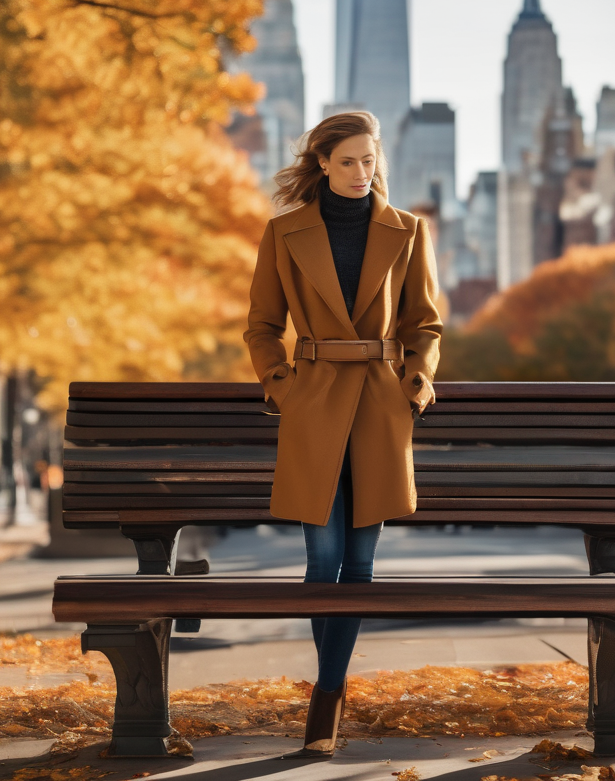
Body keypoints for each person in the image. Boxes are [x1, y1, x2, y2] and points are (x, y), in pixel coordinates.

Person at [244, 110, 442, 758]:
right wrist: (281, 385)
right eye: (350, 160)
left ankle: (326, 692)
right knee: (320, 561)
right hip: (315, 402)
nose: (364, 172)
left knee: (359, 564)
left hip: (382, 406)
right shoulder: (284, 232)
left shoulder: (408, 231)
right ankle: (331, 691)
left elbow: (425, 325)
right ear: (323, 163)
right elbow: (262, 326)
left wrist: (416, 385)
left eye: (371, 159)